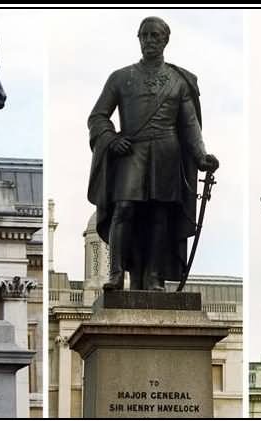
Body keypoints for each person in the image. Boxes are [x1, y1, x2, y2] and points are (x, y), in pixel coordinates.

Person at [87, 16, 219, 292]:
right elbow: (98, 117)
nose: (149, 41)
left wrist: (201, 156)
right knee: (124, 209)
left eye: (155, 36)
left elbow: (189, 125)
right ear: (139, 39)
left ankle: (154, 278)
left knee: (160, 214)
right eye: (144, 36)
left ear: (165, 40)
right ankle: (116, 274)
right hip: (131, 152)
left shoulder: (179, 81)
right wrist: (111, 139)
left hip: (166, 153)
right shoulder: (120, 78)